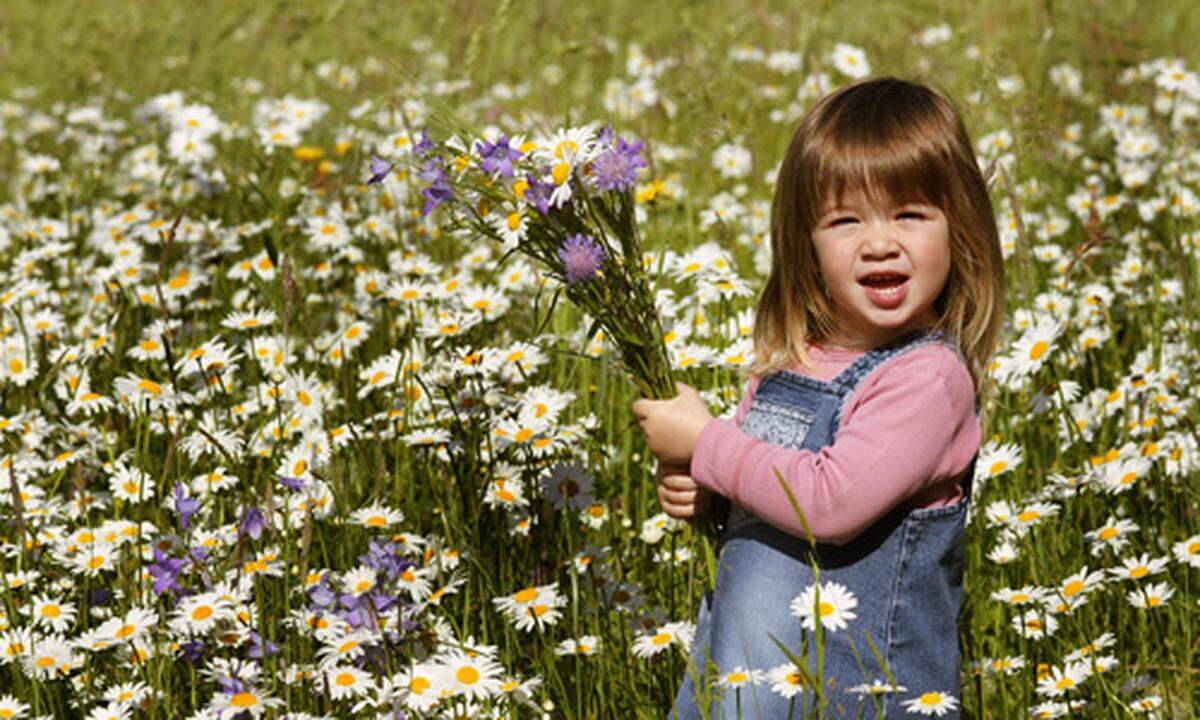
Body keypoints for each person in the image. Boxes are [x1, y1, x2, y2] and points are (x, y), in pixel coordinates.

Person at [632, 76, 1006, 719]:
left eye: (910, 214)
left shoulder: (927, 379)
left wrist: (707, 443)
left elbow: (829, 503)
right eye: (845, 220)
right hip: (748, 682)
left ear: (960, 228)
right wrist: (707, 488)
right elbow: (766, 492)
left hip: (859, 698)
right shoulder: (791, 363)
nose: (880, 241)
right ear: (806, 242)